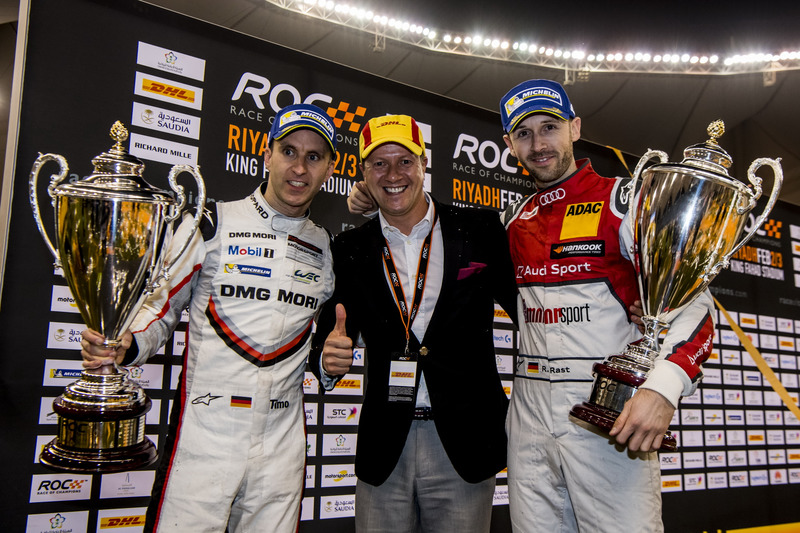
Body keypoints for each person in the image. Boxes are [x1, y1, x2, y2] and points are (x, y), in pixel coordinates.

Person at [80, 103, 338, 533]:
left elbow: (322, 343)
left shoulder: (327, 247)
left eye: (314, 157)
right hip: (206, 434)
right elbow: (158, 308)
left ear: (329, 168)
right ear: (266, 154)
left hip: (282, 441)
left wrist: (328, 367)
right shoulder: (212, 221)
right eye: (289, 151)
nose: (299, 168)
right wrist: (126, 343)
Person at [498, 79, 715, 532]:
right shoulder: (512, 220)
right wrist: (368, 205)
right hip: (528, 419)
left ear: (575, 128)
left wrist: (662, 390)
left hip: (608, 415)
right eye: (524, 134)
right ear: (509, 145)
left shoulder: (624, 200)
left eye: (549, 127)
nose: (538, 144)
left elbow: (694, 303)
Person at [310, 114, 518, 532]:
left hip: (465, 443)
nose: (393, 174)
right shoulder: (349, 248)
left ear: (423, 164)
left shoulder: (479, 230)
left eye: (404, 161)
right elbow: (330, 335)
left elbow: (530, 305)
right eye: (379, 164)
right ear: (363, 173)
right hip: (386, 444)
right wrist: (325, 361)